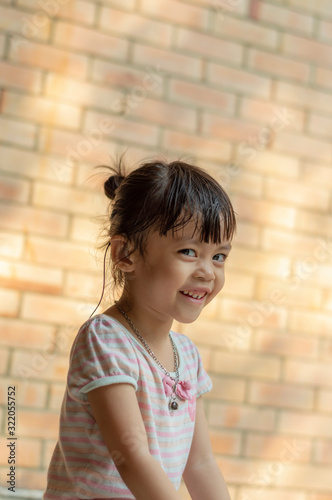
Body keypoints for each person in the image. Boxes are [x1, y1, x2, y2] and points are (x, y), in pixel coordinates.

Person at [43, 158, 236, 500]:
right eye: (189, 251)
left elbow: (201, 463)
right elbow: (131, 455)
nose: (208, 271)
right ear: (125, 253)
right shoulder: (105, 340)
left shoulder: (186, 356)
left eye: (219, 256)